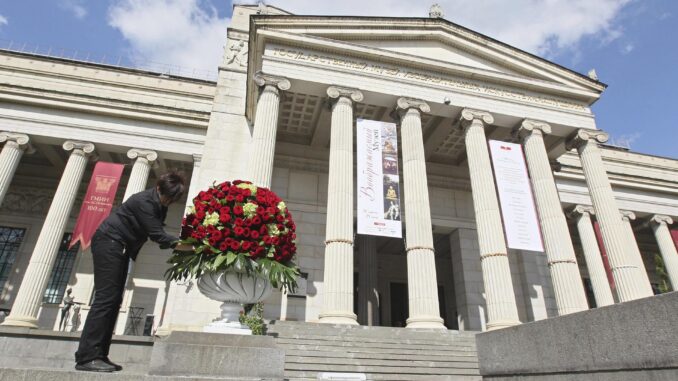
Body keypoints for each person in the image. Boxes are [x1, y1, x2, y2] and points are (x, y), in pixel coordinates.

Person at [75, 171, 191, 372]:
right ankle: (87, 357)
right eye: (168, 197)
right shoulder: (144, 202)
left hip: (120, 247)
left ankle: (99, 354)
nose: (168, 202)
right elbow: (158, 236)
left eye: (172, 200)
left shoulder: (158, 203)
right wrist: (193, 247)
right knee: (105, 300)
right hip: (110, 242)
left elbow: (158, 232)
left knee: (113, 300)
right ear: (158, 188)